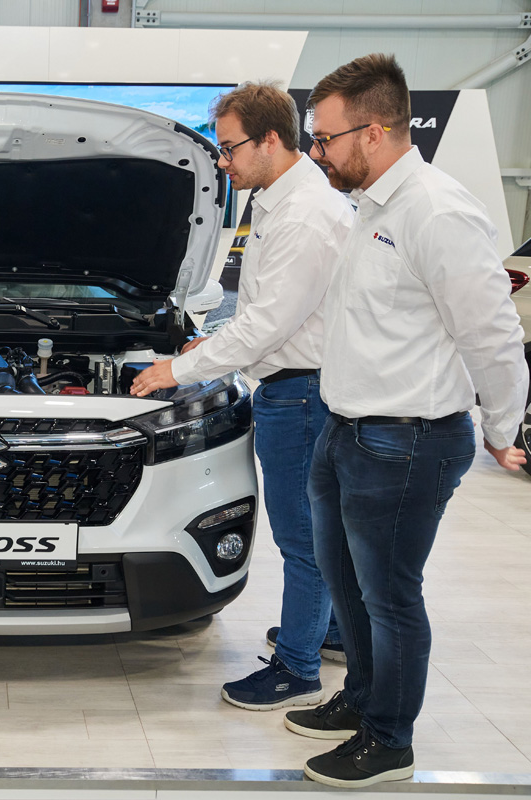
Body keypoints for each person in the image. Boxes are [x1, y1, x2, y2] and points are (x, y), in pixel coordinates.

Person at [286, 54, 529, 788]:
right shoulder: (373, 208)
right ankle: (361, 699)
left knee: (390, 598)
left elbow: (492, 333)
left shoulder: (437, 211)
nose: (316, 152)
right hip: (346, 429)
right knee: (348, 585)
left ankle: (389, 741)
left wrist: (503, 429)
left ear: (375, 131)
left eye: (325, 138)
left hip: (407, 440)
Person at [129, 82, 353, 710]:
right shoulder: (286, 201)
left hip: (301, 394)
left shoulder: (306, 214)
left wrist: (177, 370)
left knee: (302, 539)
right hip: (296, 385)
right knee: (320, 531)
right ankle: (329, 632)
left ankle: (297, 668)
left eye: (229, 148)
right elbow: (262, 313)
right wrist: (207, 343)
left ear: (270, 139)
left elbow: (267, 325)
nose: (223, 162)